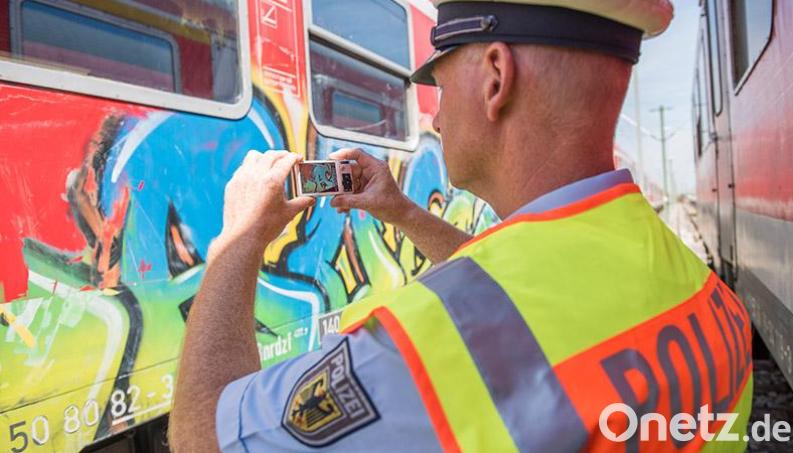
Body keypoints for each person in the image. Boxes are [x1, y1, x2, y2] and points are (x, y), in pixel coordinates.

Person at [169, 0, 753, 451]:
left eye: (442, 88)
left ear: (496, 78)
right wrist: (400, 211)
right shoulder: (702, 291)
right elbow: (518, 296)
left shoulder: (418, 350)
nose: (439, 119)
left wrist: (239, 238)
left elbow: (201, 438)